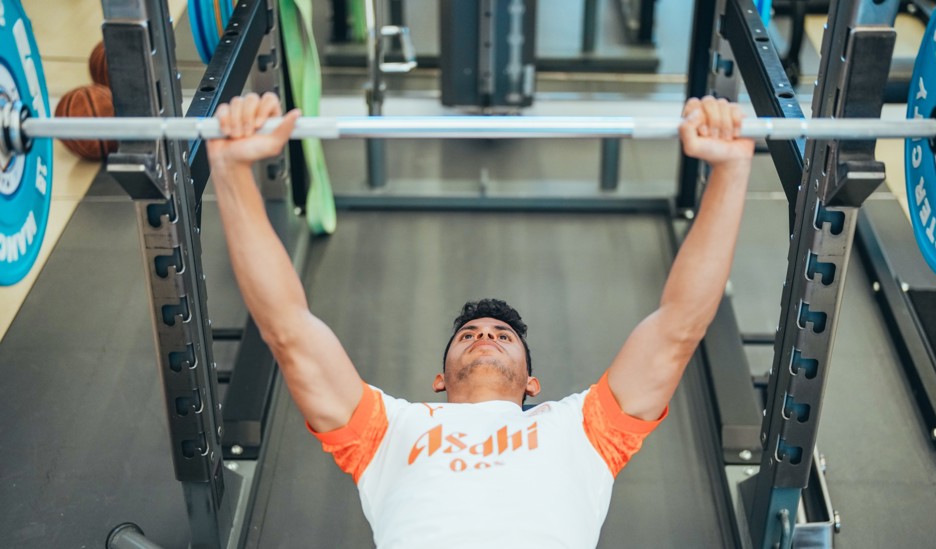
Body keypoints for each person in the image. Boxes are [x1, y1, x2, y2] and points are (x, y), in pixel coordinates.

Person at [206, 92, 753, 547]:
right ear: (438, 380)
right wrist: (231, 171)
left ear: (533, 384)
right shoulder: (389, 429)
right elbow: (289, 330)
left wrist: (730, 169)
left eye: (501, 335)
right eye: (469, 334)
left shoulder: (579, 428)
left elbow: (680, 326)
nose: (485, 336)